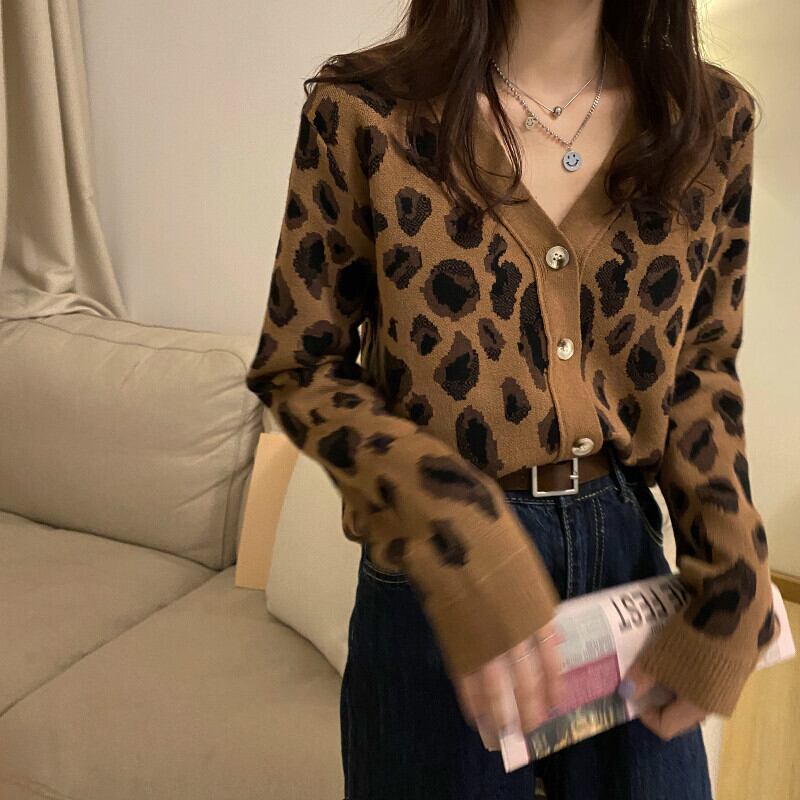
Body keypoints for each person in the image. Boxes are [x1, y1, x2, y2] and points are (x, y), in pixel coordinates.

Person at [245, 1, 779, 797]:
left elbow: (700, 365)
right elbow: (300, 365)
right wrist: (459, 523)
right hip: (438, 575)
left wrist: (735, 567)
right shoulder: (364, 113)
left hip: (625, 560)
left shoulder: (708, 123)